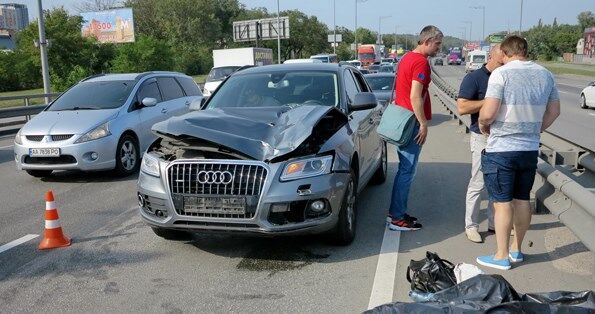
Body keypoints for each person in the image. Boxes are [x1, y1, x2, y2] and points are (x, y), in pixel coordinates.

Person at [477, 35, 560, 270]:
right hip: (529, 149)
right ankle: (517, 250)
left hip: (502, 149)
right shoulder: (546, 74)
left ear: (505, 52)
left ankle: (501, 256)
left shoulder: (501, 74)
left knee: (502, 203)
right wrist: (535, 129)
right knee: (522, 199)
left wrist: (484, 125)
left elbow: (487, 113)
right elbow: (554, 111)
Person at [387, 25, 443, 231]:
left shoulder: (407, 58)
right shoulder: (420, 62)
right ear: (427, 41)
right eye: (437, 44)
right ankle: (397, 218)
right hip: (411, 121)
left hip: (402, 118)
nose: (439, 48)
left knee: (404, 169)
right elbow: (415, 96)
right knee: (407, 171)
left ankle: (396, 212)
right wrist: (423, 124)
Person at [457, 45, 504, 243]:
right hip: (482, 137)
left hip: (502, 138)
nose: (507, 58)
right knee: (478, 182)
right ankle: (471, 226)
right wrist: (489, 103)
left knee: (499, 184)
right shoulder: (474, 78)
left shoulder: (506, 77)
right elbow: (462, 107)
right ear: (493, 55)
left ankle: (495, 225)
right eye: (504, 54)